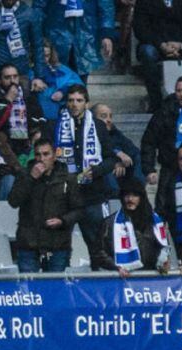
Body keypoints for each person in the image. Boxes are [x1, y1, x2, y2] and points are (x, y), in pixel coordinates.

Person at [49, 84, 116, 260]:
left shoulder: (99, 126)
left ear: (86, 103)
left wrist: (96, 170)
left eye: (79, 100)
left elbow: (111, 159)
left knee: (99, 246)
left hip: (93, 194)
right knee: (60, 248)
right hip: (65, 197)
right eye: (70, 100)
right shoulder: (55, 127)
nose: (74, 104)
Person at [8, 139, 84, 272]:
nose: (41, 158)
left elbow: (79, 210)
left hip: (57, 244)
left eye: (46, 154)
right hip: (29, 244)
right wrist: (31, 178)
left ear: (54, 156)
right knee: (30, 289)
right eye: (38, 155)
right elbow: (13, 201)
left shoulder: (68, 178)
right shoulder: (24, 174)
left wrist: (63, 220)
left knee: (56, 288)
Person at [132, 0, 182, 110]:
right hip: (154, 44)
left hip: (179, 45)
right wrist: (161, 45)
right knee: (147, 52)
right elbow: (140, 28)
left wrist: (180, 44)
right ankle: (156, 101)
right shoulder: (144, 2)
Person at [91, 176, 168, 273]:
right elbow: (98, 252)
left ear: (142, 198)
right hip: (122, 278)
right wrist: (116, 267)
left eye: (135, 195)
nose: (130, 199)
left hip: (151, 278)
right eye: (126, 195)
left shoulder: (155, 222)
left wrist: (163, 263)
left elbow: (164, 247)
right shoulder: (109, 223)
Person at [36, 0, 115, 82]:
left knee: (80, 81)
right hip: (56, 35)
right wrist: (36, 34)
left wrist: (106, 34)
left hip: (85, 37)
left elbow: (106, 9)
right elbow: (38, 8)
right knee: (57, 79)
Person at [0, 62, 46, 158]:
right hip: (2, 144)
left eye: (15, 76)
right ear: (0, 80)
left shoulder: (28, 95)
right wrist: (7, 100)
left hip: (26, 143)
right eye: (7, 77)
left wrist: (37, 132)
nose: (12, 81)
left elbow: (40, 117)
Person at [35, 40, 83, 120]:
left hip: (62, 114)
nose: (44, 59)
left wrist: (63, 91)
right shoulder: (28, 71)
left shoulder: (61, 69)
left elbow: (79, 85)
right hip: (39, 116)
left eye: (47, 56)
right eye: (41, 56)